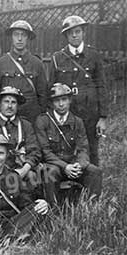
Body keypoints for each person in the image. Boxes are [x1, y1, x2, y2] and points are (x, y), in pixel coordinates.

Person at [48, 15, 108, 166]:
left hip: (90, 113)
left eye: (78, 31)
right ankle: (71, 184)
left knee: (91, 148)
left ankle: (93, 185)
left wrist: (103, 117)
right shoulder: (57, 58)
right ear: (66, 36)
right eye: (70, 32)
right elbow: (51, 88)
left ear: (83, 33)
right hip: (67, 112)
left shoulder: (93, 55)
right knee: (67, 148)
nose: (74, 35)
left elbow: (101, 85)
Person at [35, 83, 102, 204]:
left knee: (95, 172)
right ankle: (52, 210)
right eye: (57, 100)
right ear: (51, 103)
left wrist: (79, 165)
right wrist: (64, 167)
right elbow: (45, 151)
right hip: (54, 164)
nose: (61, 104)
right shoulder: (43, 121)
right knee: (49, 173)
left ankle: (91, 209)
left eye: (64, 99)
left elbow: (83, 148)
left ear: (70, 100)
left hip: (73, 165)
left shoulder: (77, 121)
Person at [0, 86, 42, 190]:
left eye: (13, 102)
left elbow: (35, 151)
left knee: (32, 176)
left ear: (18, 105)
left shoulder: (26, 125)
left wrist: (24, 170)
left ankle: (32, 205)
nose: (10, 106)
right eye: (6, 102)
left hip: (21, 169)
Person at [0, 20, 47, 122]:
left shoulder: (37, 63)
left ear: (28, 38)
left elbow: (43, 95)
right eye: (16, 35)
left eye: (23, 35)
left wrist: (38, 115)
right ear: (11, 37)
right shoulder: (0, 64)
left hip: (32, 118)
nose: (20, 39)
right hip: (7, 117)